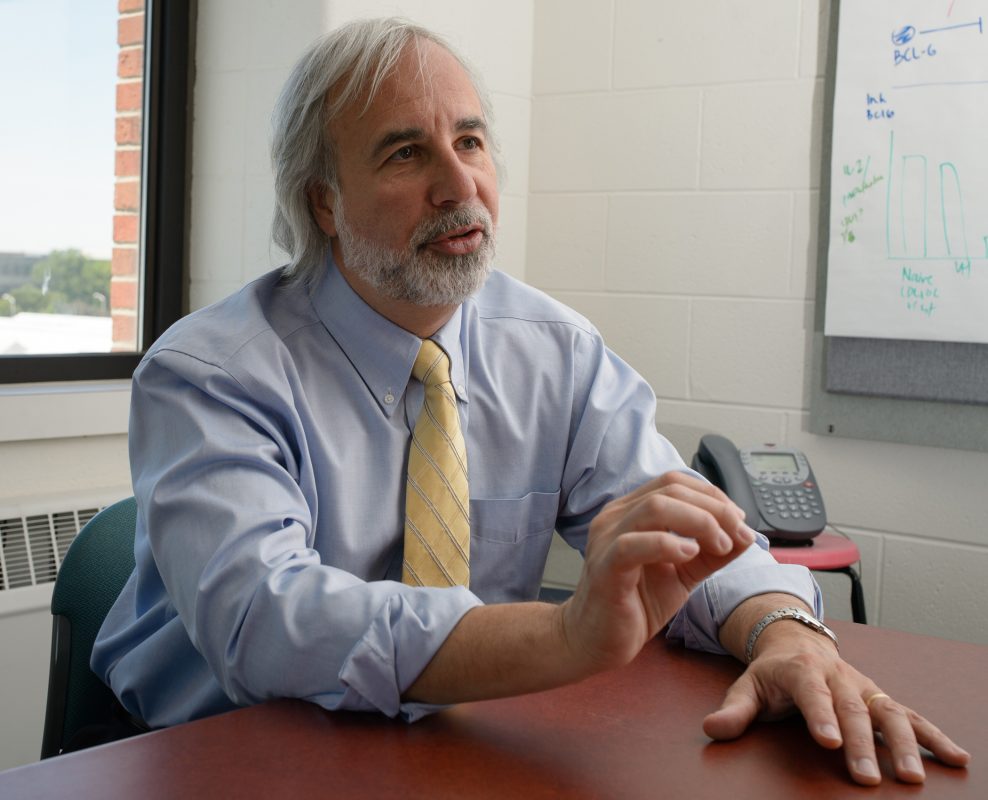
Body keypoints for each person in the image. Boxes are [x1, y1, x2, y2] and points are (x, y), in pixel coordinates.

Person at [93, 17, 969, 787]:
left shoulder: (554, 350)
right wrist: (564, 638)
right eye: (407, 152)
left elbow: (684, 526)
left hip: (449, 745)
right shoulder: (210, 373)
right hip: (215, 756)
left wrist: (784, 633)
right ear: (324, 202)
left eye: (470, 143)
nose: (458, 185)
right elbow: (267, 624)